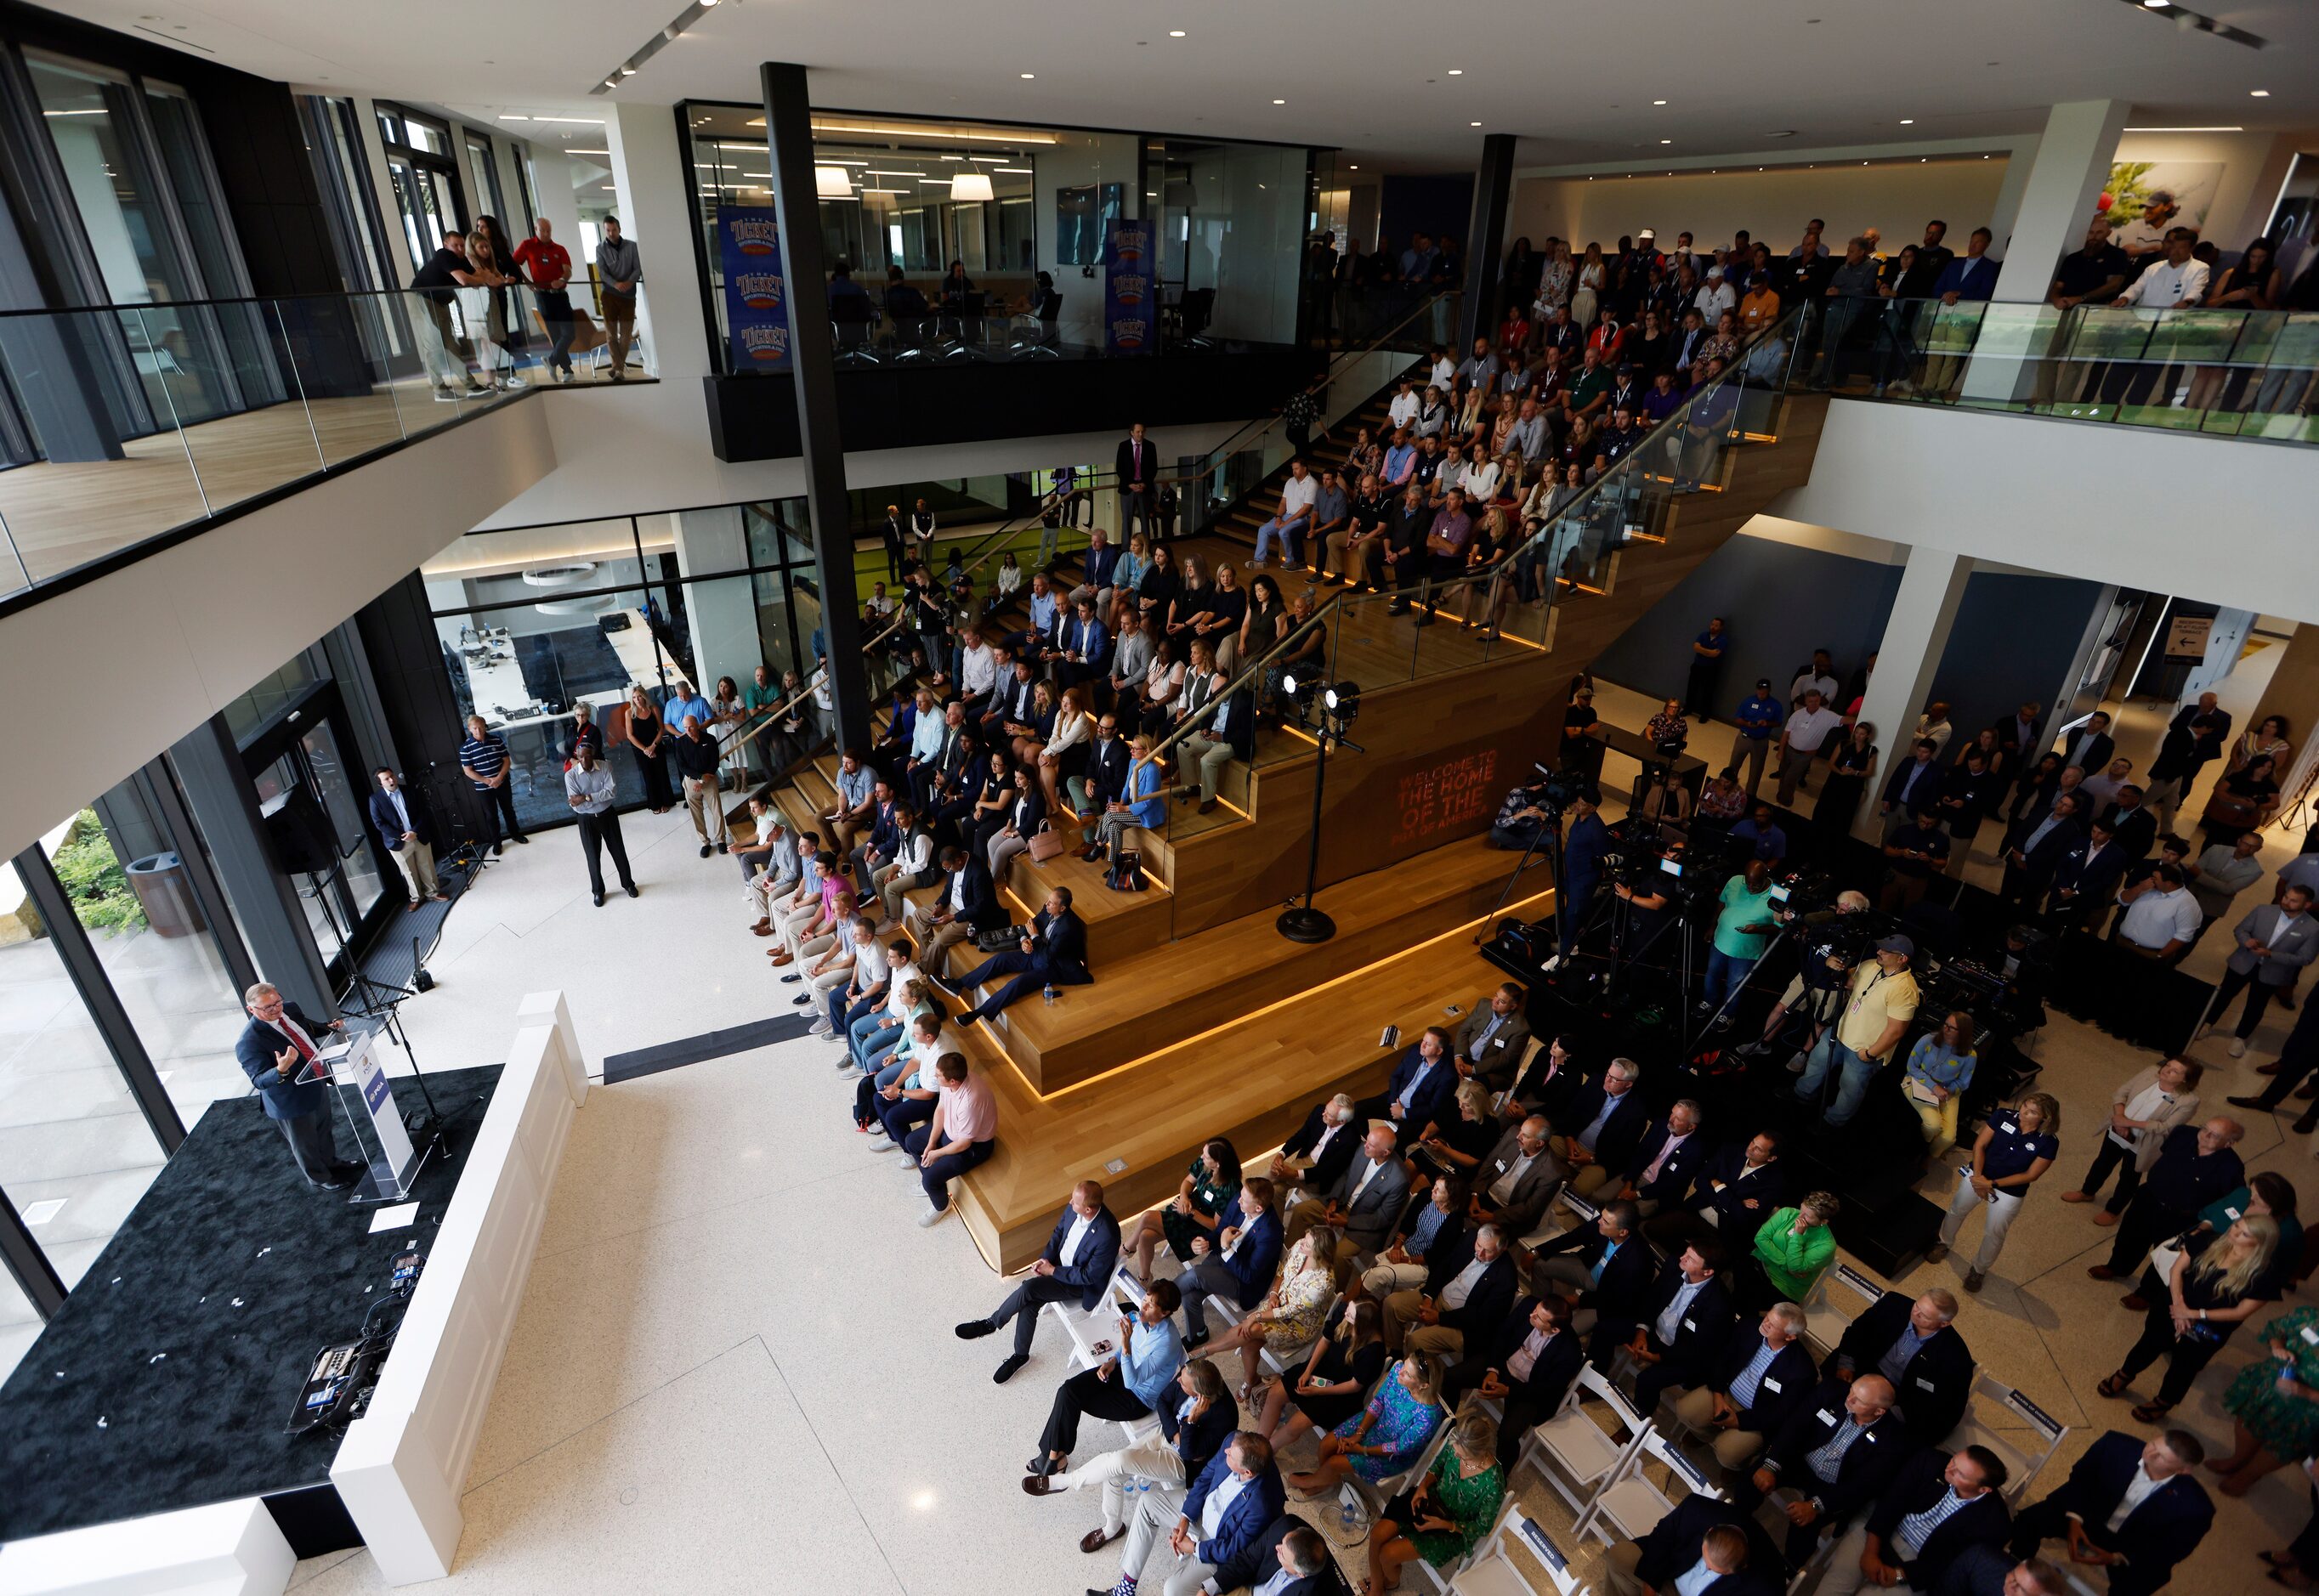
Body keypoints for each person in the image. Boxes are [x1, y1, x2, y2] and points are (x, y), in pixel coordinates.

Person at [1028, 1355, 1233, 1564]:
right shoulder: (1191, 1373)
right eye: (1180, 1378)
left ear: (1199, 1396)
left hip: (1181, 1462)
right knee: (1114, 1470)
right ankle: (1112, 1527)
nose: (1178, 1381)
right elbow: (1163, 1401)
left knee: (1120, 1460)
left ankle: (1063, 1482)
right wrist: (1176, 1434)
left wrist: (1191, 1420)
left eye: (1183, 1383)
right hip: (1164, 1434)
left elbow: (1189, 1453)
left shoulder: (1225, 1416)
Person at [2099, 1214, 2281, 1423]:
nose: (2234, 1232)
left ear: (2259, 1243)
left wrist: (2193, 1315)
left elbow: (2240, 1312)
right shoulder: (2207, 1240)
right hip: (2173, 1306)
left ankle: (2163, 1401)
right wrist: (2179, 1307)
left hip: (2208, 1327)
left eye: (2244, 1233)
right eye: (2237, 1225)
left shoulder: (2264, 1277)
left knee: (2185, 1366)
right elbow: (2176, 1270)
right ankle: (2125, 1374)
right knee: (2149, 1343)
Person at [2004, 1429, 2212, 1596]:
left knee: (2141, 1583)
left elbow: (2170, 1550)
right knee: (2028, 1520)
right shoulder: (2114, 1444)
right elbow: (2080, 1480)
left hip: (2130, 1544)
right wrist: (2074, 1521)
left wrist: (2116, 1557)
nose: (2150, 1453)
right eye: (2153, 1445)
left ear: (2183, 1471)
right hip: (2086, 1515)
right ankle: (2015, 1566)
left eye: (2161, 1457)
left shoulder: (2196, 1508)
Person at [1735, 1373, 1910, 1568]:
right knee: (1753, 1477)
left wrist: (1815, 1506)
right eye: (1852, 1391)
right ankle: (1735, 1524)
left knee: (1804, 1526)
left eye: (1858, 1400)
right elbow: (1795, 1426)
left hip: (1834, 1487)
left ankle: (1786, 1570)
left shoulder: (1893, 1441)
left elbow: (1862, 1485)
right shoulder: (1831, 1391)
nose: (1848, 1399)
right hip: (1801, 1461)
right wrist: (1771, 1465)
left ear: (1879, 1412)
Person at [958, 1180, 1121, 1381]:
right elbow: (1058, 1234)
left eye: (1075, 1202)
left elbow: (1088, 1276)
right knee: (1031, 1301)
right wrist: (1045, 1260)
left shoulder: (1108, 1234)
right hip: (1058, 1265)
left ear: (1088, 1209)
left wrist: (1052, 1271)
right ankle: (1020, 1356)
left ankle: (992, 1323)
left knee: (1029, 1289)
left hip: (1079, 1284)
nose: (1070, 1202)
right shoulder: (1074, 1209)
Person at [1025, 1277, 1186, 1479]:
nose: (1142, 1306)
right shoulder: (1143, 1320)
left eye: (1150, 1305)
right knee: (1067, 1391)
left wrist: (1125, 1344)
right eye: (1145, 1299)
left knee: (1073, 1400)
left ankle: (1051, 1457)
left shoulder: (1167, 1342)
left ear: (1165, 1313)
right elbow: (1126, 1353)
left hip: (1137, 1398)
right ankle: (1055, 1455)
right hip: (1119, 1371)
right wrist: (1111, 1361)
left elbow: (1132, 1381)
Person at [1816, 1446, 2013, 1596]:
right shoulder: (1930, 1461)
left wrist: (1900, 1575)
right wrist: (1871, 1552)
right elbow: (1891, 1504)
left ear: (1984, 1489)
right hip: (1879, 1532)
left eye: (1960, 1473)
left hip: (1917, 1564)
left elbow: (1948, 1565)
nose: (1949, 1469)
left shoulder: (1995, 1525)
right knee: (1836, 1583)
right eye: (1954, 1460)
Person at [1108, 1430, 1284, 1596]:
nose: (1226, 1451)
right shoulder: (1234, 1440)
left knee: (1173, 1589)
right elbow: (1206, 1477)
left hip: (1217, 1542)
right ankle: (1126, 1587)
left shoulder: (1261, 1506)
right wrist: (1185, 1517)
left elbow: (1232, 1550)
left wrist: (1193, 1548)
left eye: (1230, 1455)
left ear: (1247, 1472)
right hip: (1202, 1510)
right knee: (1148, 1503)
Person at [2088, 1117, 2247, 1283]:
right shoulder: (2182, 1133)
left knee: (2167, 1253)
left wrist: (2211, 1225)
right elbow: (2164, 1153)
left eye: (2214, 1135)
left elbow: (2234, 1200)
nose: (2204, 1135)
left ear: (2229, 1143)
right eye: (2205, 1128)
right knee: (2129, 1237)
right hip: (2149, 1198)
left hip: (2182, 1217)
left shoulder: (2231, 1167)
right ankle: (2117, 1267)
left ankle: (2146, 1293)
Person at [1929, 1094, 2059, 1293]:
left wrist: (1991, 1183)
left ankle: (1979, 1270)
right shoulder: (2003, 1116)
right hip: (1978, 1174)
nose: (2024, 1112)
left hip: (2009, 1190)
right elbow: (1979, 1145)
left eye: (2032, 1112)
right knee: (1957, 1210)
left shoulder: (2048, 1142)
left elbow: (2031, 1174)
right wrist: (1979, 1179)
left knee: (1995, 1232)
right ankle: (1943, 1242)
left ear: (2045, 1118)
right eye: (2025, 1105)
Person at [1364, 1412, 1504, 1594]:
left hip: (1452, 1528)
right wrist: (1423, 1486)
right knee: (1376, 1536)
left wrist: (1445, 1524)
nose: (1454, 1453)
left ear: (1479, 1453)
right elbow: (1437, 1467)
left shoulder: (1494, 1483)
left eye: (1461, 1455)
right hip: (1431, 1500)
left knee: (1388, 1555)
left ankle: (1390, 1583)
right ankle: (1377, 1588)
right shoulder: (1456, 1441)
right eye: (1454, 1449)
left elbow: (1482, 1527)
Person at [235, 982, 358, 1188]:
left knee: (323, 1129)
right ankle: (320, 1178)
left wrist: (327, 1027)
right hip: (291, 1099)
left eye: (277, 1001)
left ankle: (332, 1163)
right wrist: (280, 1069)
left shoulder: (290, 1008)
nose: (276, 1009)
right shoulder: (249, 1042)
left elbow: (303, 1030)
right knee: (305, 1143)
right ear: (251, 1009)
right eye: (268, 1007)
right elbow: (258, 1080)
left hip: (316, 1079)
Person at [1794, 935, 1920, 1128]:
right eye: (1881, 948)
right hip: (1840, 1033)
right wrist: (1835, 964)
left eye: (1886, 951)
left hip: (1864, 1049)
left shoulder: (1905, 990)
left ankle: (1834, 1122)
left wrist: (1870, 1053)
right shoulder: (1872, 965)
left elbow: (1896, 1031)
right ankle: (1802, 1095)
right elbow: (1850, 981)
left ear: (1902, 959)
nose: (1879, 952)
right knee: (1817, 1061)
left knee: (1850, 1088)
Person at [2064, 1056, 2203, 1221]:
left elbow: (2166, 1128)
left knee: (2129, 1178)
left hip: (2142, 1143)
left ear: (2185, 1079)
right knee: (2102, 1163)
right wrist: (2119, 1118)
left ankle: (2113, 1211)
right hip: (2117, 1129)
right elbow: (2121, 1093)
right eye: (2168, 1065)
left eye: (2174, 1071)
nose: (2166, 1070)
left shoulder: (2188, 1101)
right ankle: (2087, 1192)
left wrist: (2127, 1123)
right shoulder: (2150, 1073)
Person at [1828, 1289, 1974, 1445]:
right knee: (1830, 1400)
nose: (1915, 1313)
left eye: (1924, 1315)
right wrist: (1846, 1365)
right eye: (1917, 1305)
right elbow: (1857, 1331)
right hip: (1864, 1369)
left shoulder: (1956, 1357)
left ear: (1944, 1323)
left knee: (1872, 1441)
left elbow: (1945, 1404)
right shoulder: (1894, 1304)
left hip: (1903, 1397)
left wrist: (1896, 1414)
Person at [1286, 1354, 1445, 1497]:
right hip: (1376, 1422)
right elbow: (1378, 1402)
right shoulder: (1398, 1371)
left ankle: (1315, 1480)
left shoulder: (1428, 1417)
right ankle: (1326, 1480)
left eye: (1408, 1374)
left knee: (1332, 1463)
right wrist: (1358, 1434)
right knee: (1325, 1445)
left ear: (1423, 1386)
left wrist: (1362, 1450)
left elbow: (1398, 1447)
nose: (1400, 1371)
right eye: (1404, 1365)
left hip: (1392, 1453)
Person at [2215, 1299, 2319, 1496]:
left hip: (2309, 1410)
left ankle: (2248, 1476)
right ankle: (2237, 1459)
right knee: (2247, 1421)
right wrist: (2277, 1346)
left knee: (2279, 1447)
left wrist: (2304, 1392)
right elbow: (2275, 1329)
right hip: (2272, 1384)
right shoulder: (2309, 1316)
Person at [944, 886, 1091, 1022]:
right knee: (1000, 959)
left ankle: (978, 1013)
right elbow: (1026, 927)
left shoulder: (1068, 927)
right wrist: (1024, 940)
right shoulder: (1048, 910)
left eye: (1051, 903)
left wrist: (1034, 937)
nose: (1046, 904)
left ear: (1063, 908)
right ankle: (959, 984)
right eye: (1048, 900)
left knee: (1018, 983)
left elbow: (1048, 956)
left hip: (1052, 966)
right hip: (1035, 952)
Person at [2202, 885, 2319, 1056]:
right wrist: (2246, 941)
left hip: (2273, 971)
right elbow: (2241, 929)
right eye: (2286, 897)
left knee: (2256, 1005)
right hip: (2243, 961)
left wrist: (2271, 954)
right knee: (2224, 993)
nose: (2286, 901)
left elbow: (2305, 958)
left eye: (2293, 901)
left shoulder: (2313, 928)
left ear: (2307, 905)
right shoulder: (2263, 910)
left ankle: (2240, 1037)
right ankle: (2207, 1023)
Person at [1175, 1178, 1284, 1350]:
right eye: (1241, 1196)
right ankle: (1198, 1334)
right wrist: (1205, 1243)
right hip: (1225, 1256)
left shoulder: (1271, 1233)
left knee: (1196, 1274)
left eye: (1244, 1199)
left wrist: (1226, 1248)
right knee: (1190, 1296)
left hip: (1243, 1282)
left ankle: (1164, 1298)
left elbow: (1249, 1275)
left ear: (1258, 1208)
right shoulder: (1238, 1200)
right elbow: (1220, 1231)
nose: (1238, 1200)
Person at [898, 1050, 996, 1226]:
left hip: (973, 1146)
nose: (935, 1078)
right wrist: (931, 1142)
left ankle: (941, 1205)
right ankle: (931, 1181)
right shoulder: (949, 1082)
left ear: (953, 1081)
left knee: (930, 1180)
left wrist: (936, 1154)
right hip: (952, 1131)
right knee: (912, 1142)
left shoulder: (970, 1100)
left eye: (938, 1076)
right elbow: (941, 1109)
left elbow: (964, 1143)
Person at [1605, 1499, 1782, 1596]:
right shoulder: (1697, 1509)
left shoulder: (1764, 1586)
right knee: (1620, 1557)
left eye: (1714, 1570)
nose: (1706, 1568)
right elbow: (1662, 1538)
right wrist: (1650, 1587)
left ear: (1741, 1568)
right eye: (1706, 1559)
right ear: (1710, 1532)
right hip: (1670, 1571)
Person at [1552, 1056, 1650, 1196]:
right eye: (1608, 1074)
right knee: (1542, 1148)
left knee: (1580, 1190)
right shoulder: (1595, 1081)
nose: (1607, 1080)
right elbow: (1573, 1112)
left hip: (1600, 1159)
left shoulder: (1637, 1113)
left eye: (1614, 1079)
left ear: (1628, 1084)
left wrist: (1592, 1159)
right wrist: (1569, 1138)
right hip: (1572, 1140)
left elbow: (1623, 1152)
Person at [366, 767, 446, 910]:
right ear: (380, 783)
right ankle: (417, 898)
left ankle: (433, 893)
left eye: (392, 776)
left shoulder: (410, 791)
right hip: (398, 842)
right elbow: (379, 823)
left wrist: (414, 831)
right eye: (387, 779)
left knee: (426, 865)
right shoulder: (375, 799)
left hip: (418, 835)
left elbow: (423, 811)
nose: (391, 779)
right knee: (409, 872)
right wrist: (401, 836)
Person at [564, 744, 636, 905]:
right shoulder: (570, 776)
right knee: (592, 857)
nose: (583, 760)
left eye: (587, 756)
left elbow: (611, 793)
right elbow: (576, 805)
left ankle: (628, 884)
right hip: (586, 820)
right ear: (577, 755)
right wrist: (596, 798)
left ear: (593, 754)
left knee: (619, 851)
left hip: (607, 815)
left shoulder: (606, 766)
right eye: (580, 756)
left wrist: (586, 797)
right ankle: (598, 891)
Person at [511, 216, 576, 382]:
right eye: (543, 230)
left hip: (561, 295)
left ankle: (551, 360)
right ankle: (567, 371)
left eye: (549, 231)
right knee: (554, 335)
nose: (547, 234)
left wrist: (562, 280)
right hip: (542, 296)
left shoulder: (559, 249)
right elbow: (512, 264)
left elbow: (568, 270)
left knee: (569, 333)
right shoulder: (527, 245)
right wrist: (526, 281)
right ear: (536, 229)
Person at [1903, 1012, 1980, 1154]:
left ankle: (1931, 1155)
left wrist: (1947, 1091)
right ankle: (1923, 1149)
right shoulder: (1928, 1040)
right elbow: (1912, 1067)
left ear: (1962, 1033)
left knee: (1949, 1138)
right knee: (1933, 1125)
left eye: (1951, 1028)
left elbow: (1963, 1082)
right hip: (1917, 1082)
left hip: (1947, 1092)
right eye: (1945, 1025)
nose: (1946, 1029)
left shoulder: (1970, 1055)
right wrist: (1934, 1087)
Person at [1748, 1196, 1840, 1310]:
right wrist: (1786, 1265)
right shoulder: (1787, 1212)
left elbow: (1795, 1266)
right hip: (1760, 1263)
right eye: (1802, 1209)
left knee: (1750, 1304)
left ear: (1824, 1221)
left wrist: (1798, 1235)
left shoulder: (1827, 1245)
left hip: (1786, 1286)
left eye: (1807, 1216)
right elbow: (1760, 1238)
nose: (1799, 1216)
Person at [456, 715, 527, 854]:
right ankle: (497, 843)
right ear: (470, 729)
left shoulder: (496, 740)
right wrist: (488, 781)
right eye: (474, 728)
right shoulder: (465, 748)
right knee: (491, 815)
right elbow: (468, 771)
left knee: (508, 810)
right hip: (484, 788)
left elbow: (506, 760)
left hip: (502, 782)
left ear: (485, 726)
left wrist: (499, 777)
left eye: (481, 727)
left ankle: (515, 834)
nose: (478, 730)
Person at [670, 713, 727, 857]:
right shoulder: (680, 743)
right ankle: (704, 842)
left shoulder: (710, 739)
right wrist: (698, 778)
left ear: (697, 726)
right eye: (685, 728)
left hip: (709, 778)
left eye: (690, 727)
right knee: (696, 813)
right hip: (691, 781)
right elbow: (682, 766)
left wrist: (703, 780)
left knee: (716, 811)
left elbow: (714, 762)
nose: (688, 730)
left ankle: (721, 840)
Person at [594, 215, 640, 379]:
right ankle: (618, 369)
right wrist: (615, 284)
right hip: (609, 296)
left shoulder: (632, 246)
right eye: (608, 230)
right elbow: (602, 272)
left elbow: (637, 268)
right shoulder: (600, 249)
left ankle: (618, 367)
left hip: (628, 296)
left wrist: (629, 282)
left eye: (614, 230)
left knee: (626, 335)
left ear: (619, 229)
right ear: (605, 231)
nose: (611, 233)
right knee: (611, 334)